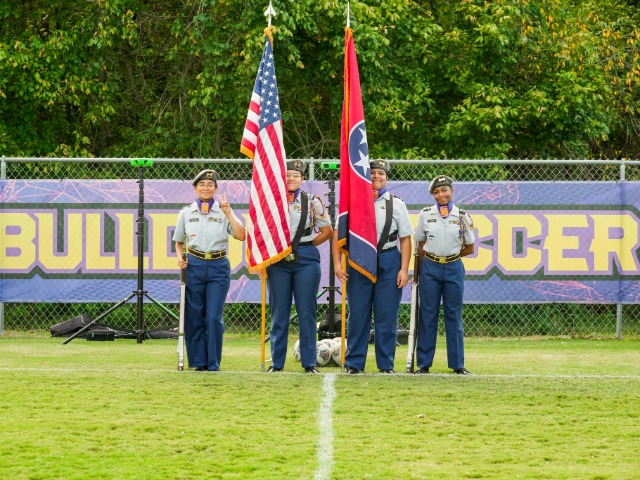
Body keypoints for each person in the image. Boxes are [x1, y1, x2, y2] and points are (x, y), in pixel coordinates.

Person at [333, 160, 413, 374]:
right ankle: (354, 363)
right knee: (358, 314)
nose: (376, 176)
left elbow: (405, 238)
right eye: (372, 173)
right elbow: (338, 234)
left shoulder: (397, 204)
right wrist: (337, 263)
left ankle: (386, 365)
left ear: (387, 178)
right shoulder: (353, 202)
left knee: (387, 315)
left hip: (388, 259)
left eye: (381, 173)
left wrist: (404, 269)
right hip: (359, 261)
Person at [263, 160, 333, 373]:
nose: (291, 179)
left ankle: (309, 363)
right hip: (278, 260)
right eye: (287, 175)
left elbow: (327, 231)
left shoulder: (313, 201)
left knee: (306, 312)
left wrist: (307, 245)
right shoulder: (271, 201)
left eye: (295, 175)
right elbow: (262, 231)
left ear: (302, 179)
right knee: (279, 313)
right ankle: (277, 363)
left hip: (305, 259)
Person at [173, 169, 246, 371]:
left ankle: (213, 363)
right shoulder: (186, 213)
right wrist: (179, 258)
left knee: (213, 316)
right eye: (202, 185)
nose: (206, 188)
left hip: (218, 265)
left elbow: (241, 236)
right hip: (194, 265)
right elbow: (178, 242)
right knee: (195, 314)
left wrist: (229, 213)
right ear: (195, 188)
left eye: (210, 185)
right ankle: (199, 362)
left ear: (215, 188)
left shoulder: (224, 210)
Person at [414, 174, 475, 375]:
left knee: (453, 314)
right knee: (427, 314)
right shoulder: (425, 215)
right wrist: (420, 271)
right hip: (430, 267)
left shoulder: (462, 216)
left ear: (452, 191)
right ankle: (424, 364)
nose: (441, 195)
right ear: (433, 195)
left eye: (444, 190)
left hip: (453, 267)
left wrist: (451, 256)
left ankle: (457, 364)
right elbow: (420, 245)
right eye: (437, 192)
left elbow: (470, 247)